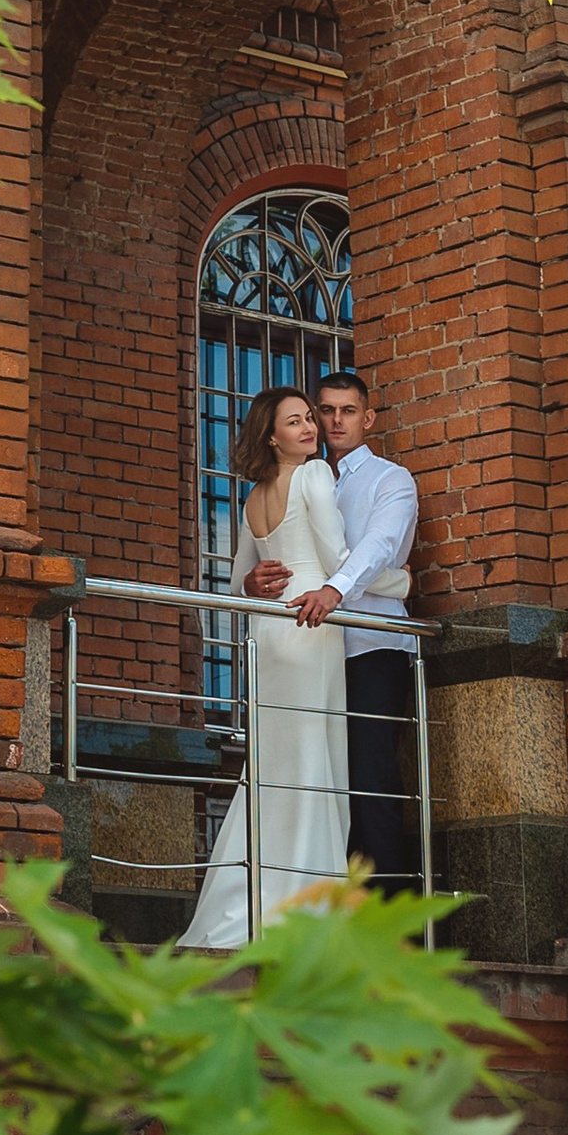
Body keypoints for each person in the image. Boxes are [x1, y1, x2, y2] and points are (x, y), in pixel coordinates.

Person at [179, 385, 352, 947]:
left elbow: (237, 584)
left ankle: (248, 900)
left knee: (274, 766)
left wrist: (256, 585)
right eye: (296, 422)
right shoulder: (316, 476)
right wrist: (396, 581)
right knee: (314, 763)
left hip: (270, 631)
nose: (310, 428)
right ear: (271, 436)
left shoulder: (254, 497)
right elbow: (336, 557)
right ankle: (307, 907)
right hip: (310, 624)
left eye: (310, 419)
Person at [245, 366, 426, 884]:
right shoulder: (303, 475)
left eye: (347, 411)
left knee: (371, 785)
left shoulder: (389, 479)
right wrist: (251, 583)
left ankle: (389, 924)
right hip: (314, 650)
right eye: (325, 411)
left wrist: (336, 589)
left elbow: (374, 551)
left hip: (369, 646)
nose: (334, 421)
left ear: (367, 418)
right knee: (324, 780)